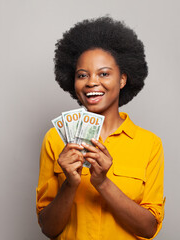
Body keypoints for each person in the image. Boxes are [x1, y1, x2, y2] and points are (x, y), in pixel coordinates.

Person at [36, 16, 165, 240]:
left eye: (103, 73)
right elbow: (48, 228)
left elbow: (148, 228)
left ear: (122, 79)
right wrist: (70, 183)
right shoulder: (55, 139)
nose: (91, 82)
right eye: (82, 75)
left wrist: (103, 183)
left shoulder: (149, 144)